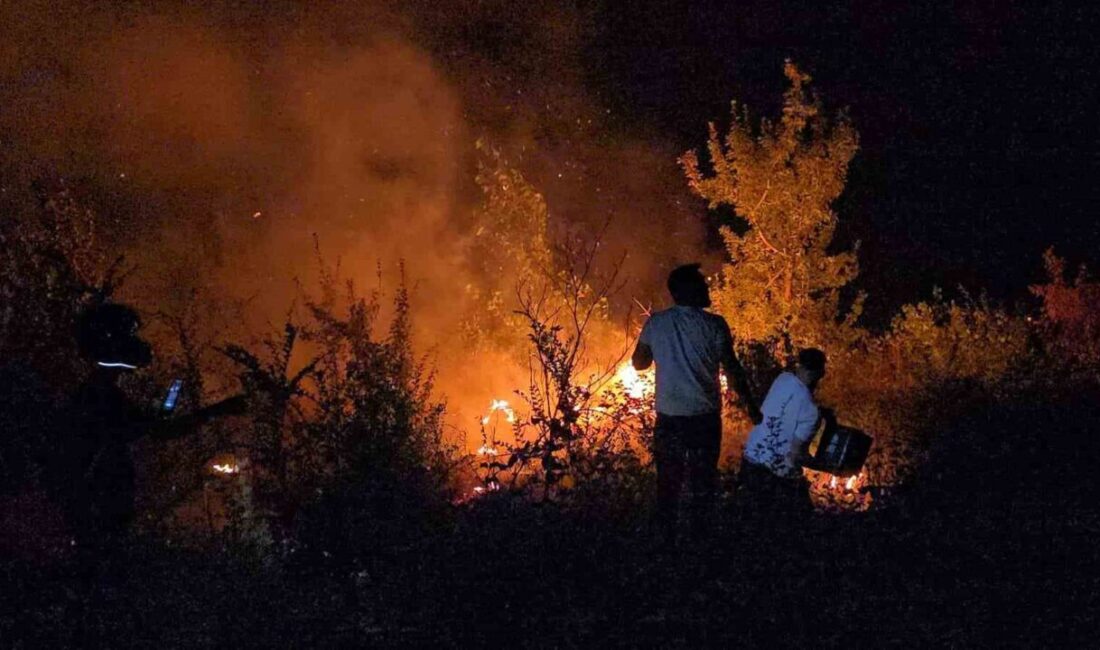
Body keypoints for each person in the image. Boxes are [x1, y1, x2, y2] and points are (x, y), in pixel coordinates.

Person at [53, 302, 245, 548]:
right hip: (97, 514)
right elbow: (161, 431)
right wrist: (220, 409)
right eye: (130, 335)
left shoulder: (97, 393)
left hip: (96, 512)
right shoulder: (100, 397)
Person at [632, 263, 761, 545]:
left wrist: (661, 350)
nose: (707, 287)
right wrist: (751, 406)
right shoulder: (715, 325)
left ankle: (665, 544)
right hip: (704, 420)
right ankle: (700, 545)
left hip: (670, 420)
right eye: (702, 284)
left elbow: (639, 363)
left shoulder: (656, 323)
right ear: (687, 290)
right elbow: (733, 369)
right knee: (703, 484)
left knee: (668, 483)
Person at [740, 348, 828, 516]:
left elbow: (790, 404)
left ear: (800, 365)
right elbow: (795, 454)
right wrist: (822, 465)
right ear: (820, 373)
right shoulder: (811, 412)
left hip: (750, 460)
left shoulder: (782, 379)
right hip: (776, 477)